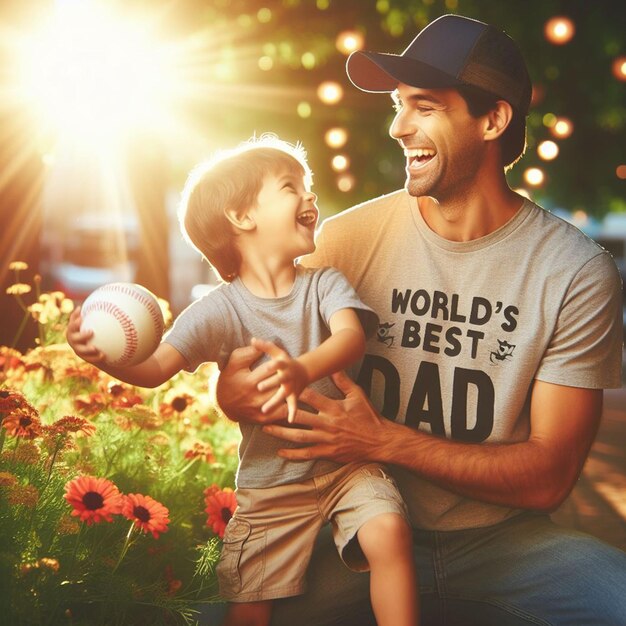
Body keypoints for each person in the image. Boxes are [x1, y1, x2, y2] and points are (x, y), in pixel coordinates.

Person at [215, 15, 626, 626]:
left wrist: (383, 439)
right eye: (399, 105)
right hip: (344, 525)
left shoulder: (575, 271)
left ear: (493, 120)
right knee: (194, 611)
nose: (397, 126)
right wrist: (235, 390)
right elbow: (246, 361)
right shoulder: (343, 240)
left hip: (504, 542)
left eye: (424, 106)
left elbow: (548, 477)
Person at [66, 135, 419, 626]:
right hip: (270, 486)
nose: (310, 197)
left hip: (345, 469)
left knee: (388, 532)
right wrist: (104, 360)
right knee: (250, 605)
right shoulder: (217, 311)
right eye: (291, 187)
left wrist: (302, 369)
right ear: (241, 216)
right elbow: (155, 369)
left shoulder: (324, 284)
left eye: (308, 186)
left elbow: (350, 338)